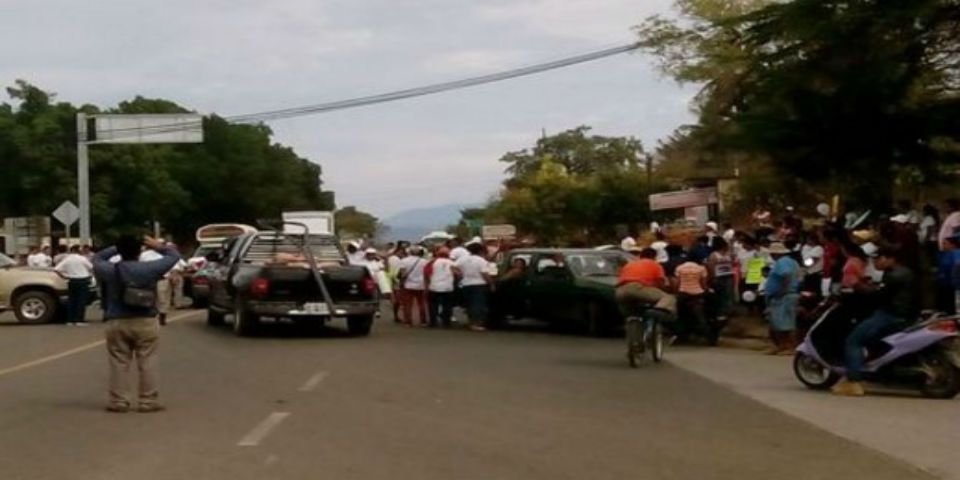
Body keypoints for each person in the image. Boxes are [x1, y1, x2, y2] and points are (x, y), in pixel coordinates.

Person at [92, 235, 180, 413]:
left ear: (120, 252)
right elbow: (173, 256)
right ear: (140, 252)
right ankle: (148, 401)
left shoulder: (111, 270)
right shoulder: (150, 269)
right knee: (148, 360)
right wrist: (156, 245)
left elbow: (96, 258)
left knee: (119, 362)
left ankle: (119, 401)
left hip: (117, 320)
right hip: (145, 320)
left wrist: (117, 247)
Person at [833, 247, 918, 397]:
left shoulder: (893, 276)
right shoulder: (906, 272)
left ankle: (853, 381)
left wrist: (857, 286)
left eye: (878, 258)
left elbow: (878, 296)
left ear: (890, 258)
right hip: (907, 315)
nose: (875, 262)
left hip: (890, 315)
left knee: (853, 341)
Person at [615, 248, 677, 319]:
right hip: (636, 288)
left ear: (640, 256)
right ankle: (658, 312)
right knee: (668, 297)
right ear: (654, 257)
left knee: (634, 316)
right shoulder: (655, 264)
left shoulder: (629, 264)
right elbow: (660, 282)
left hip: (620, 291)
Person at [764, 242, 801, 355]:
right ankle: (782, 345)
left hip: (784, 295)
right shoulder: (791, 262)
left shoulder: (782, 262)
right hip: (782, 295)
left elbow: (786, 275)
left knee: (787, 323)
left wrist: (782, 289)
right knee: (778, 323)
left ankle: (790, 346)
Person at [456, 243, 493, 331]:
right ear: (480, 251)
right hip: (479, 284)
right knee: (478, 305)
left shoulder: (463, 259)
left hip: (466, 284)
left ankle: (471, 322)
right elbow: (484, 274)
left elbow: (453, 266)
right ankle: (476, 323)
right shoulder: (481, 260)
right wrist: (491, 283)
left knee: (469, 304)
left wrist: (459, 274)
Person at [140, 242, 178, 327]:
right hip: (149, 279)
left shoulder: (166, 254)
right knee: (149, 298)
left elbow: (174, 267)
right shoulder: (144, 255)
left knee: (163, 299)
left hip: (163, 279)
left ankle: (162, 316)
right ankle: (150, 316)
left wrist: (174, 276)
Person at [54, 245, 93, 326]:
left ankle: (70, 320)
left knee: (72, 300)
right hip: (83, 280)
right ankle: (79, 320)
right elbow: (91, 267)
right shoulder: (82, 258)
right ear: (78, 250)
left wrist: (64, 276)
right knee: (81, 301)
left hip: (72, 280)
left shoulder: (67, 259)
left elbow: (57, 269)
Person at [673, 256, 709, 341]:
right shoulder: (701, 268)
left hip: (683, 293)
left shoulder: (679, 268)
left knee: (679, 314)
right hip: (698, 293)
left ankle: (681, 332)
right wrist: (706, 290)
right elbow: (703, 284)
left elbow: (677, 283)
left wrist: (675, 293)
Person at [424, 247, 457, 328]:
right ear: (448, 254)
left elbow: (426, 274)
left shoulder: (432, 262)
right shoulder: (452, 263)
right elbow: (457, 273)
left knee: (433, 306)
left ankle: (433, 322)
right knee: (447, 306)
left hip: (434, 287)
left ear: (438, 254)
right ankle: (446, 323)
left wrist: (426, 286)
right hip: (448, 287)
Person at [397, 246, 428, 327]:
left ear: (410, 252)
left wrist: (401, 282)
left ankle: (408, 322)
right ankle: (423, 321)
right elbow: (426, 274)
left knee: (407, 304)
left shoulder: (404, 261)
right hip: (421, 285)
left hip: (408, 285)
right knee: (422, 304)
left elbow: (403, 274)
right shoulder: (424, 261)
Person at [705, 238, 735, 322]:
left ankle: (729, 310)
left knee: (729, 294)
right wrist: (713, 277)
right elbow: (711, 267)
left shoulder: (728, 254)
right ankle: (721, 312)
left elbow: (732, 262)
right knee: (720, 295)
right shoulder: (713, 255)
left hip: (728, 276)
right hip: (719, 277)